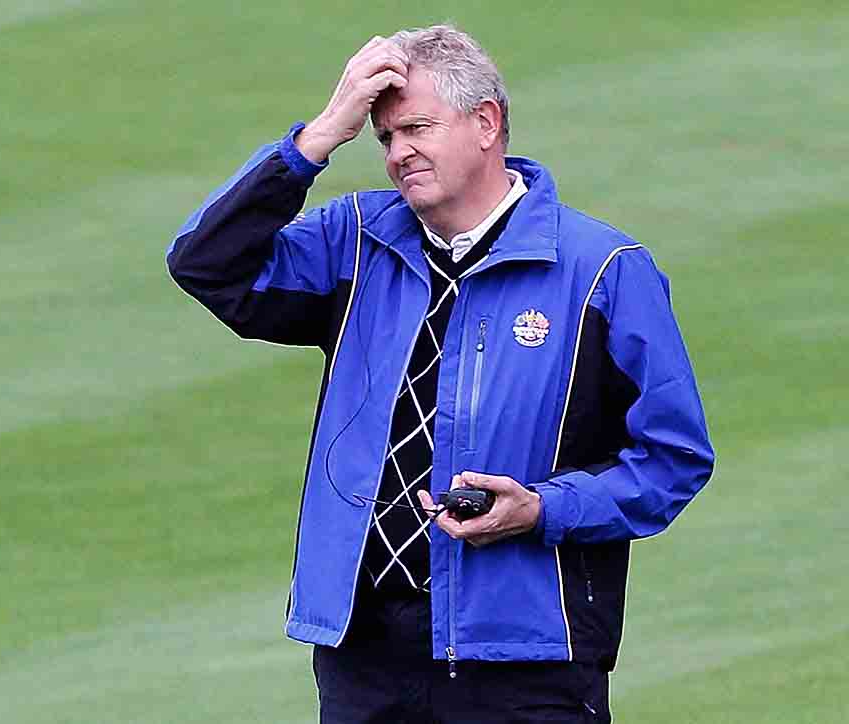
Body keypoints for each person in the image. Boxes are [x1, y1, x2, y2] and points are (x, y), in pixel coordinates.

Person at [166, 23, 713, 724]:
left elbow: (673, 460)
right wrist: (320, 137)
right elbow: (205, 263)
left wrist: (544, 508)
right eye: (385, 136)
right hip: (363, 656)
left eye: (417, 127)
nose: (399, 153)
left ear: (486, 123)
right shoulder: (354, 241)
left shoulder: (602, 272)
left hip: (526, 661)